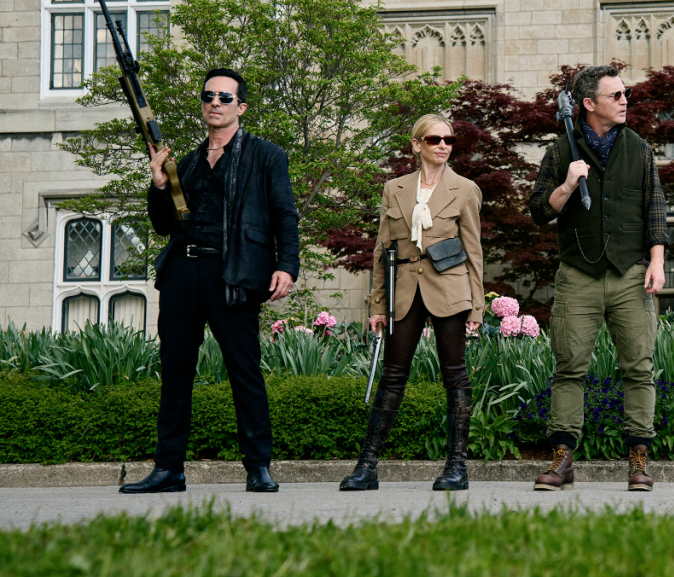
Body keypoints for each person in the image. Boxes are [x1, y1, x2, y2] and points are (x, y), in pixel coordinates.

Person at [122, 68, 299, 494]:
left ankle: (258, 466)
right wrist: (159, 185)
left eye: (224, 97)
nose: (214, 102)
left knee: (244, 371)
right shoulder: (186, 163)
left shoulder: (265, 156)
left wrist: (287, 264)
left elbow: (284, 214)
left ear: (240, 107)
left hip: (233, 273)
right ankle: (169, 469)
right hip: (184, 272)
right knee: (176, 372)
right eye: (208, 96)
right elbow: (166, 225)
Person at [527, 65, 669, 491]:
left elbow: (656, 209)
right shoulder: (560, 151)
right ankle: (562, 460)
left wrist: (657, 262)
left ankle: (639, 460)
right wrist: (568, 185)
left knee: (639, 369)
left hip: (629, 274)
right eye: (616, 95)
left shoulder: (640, 149)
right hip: (578, 274)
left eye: (625, 94)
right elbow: (538, 210)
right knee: (569, 369)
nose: (625, 101)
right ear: (588, 104)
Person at [340, 114, 485, 492]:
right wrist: (376, 304)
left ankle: (457, 467)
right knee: (392, 375)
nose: (443, 145)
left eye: (449, 140)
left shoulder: (465, 189)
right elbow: (381, 249)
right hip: (404, 289)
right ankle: (367, 467)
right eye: (434, 139)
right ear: (416, 144)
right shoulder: (395, 189)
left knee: (455, 374)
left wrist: (477, 306)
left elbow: (473, 251)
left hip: (450, 290)